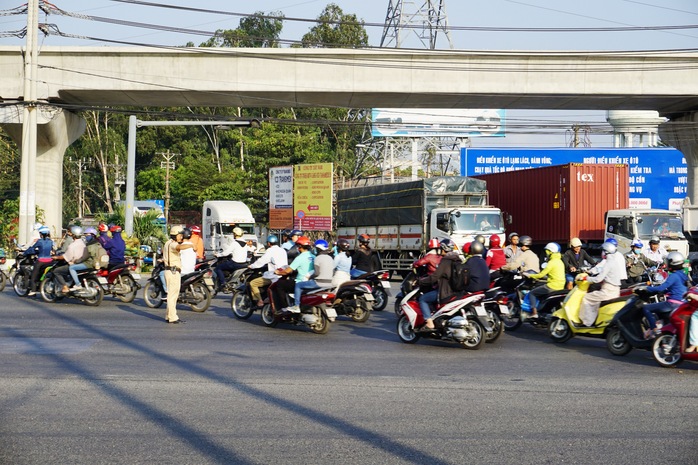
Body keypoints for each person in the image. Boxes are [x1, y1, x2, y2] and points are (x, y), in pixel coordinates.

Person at [641, 252, 689, 339]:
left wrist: (646, 288)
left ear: (672, 263)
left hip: (672, 304)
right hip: (681, 304)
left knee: (646, 308)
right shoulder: (683, 275)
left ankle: (654, 329)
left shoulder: (673, 276)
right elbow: (674, 288)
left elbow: (660, 288)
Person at [579, 241, 627, 327]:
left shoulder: (608, 263)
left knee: (586, 297)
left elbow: (598, 279)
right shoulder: (615, 260)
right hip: (616, 289)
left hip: (607, 291)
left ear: (606, 251)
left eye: (603, 251)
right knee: (595, 298)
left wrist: (586, 278)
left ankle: (586, 322)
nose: (602, 253)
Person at [417, 239, 461, 330]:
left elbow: (434, 277)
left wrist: (421, 282)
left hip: (445, 292)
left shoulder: (445, 261)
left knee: (423, 299)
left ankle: (429, 323)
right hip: (457, 292)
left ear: (443, 249)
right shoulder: (458, 260)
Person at [525, 242, 565, 318]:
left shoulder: (551, 262)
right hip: (561, 286)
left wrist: (530, 275)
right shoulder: (560, 262)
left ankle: (534, 313)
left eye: (547, 251)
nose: (546, 253)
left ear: (550, 252)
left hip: (552, 286)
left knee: (532, 293)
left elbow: (540, 275)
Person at [275, 236, 314, 313]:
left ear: (299, 247)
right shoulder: (313, 256)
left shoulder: (300, 258)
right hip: (311, 282)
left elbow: (287, 271)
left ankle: (285, 307)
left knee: (279, 284)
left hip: (300, 282)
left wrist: (278, 272)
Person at [162, 226, 193, 324]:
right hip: (173, 272)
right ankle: (173, 317)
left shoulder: (167, 243)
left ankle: (169, 315)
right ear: (176, 235)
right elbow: (179, 247)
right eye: (180, 235)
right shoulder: (173, 244)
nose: (181, 237)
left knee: (171, 295)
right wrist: (191, 245)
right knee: (173, 296)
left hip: (170, 271)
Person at [291, 239, 334, 307]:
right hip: (330, 283)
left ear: (318, 249)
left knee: (298, 285)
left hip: (319, 283)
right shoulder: (330, 258)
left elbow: (317, 273)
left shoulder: (318, 258)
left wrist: (309, 277)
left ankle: (296, 305)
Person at [248, 235, 288, 307]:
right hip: (283, 275)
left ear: (269, 243)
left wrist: (251, 266)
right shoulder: (283, 250)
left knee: (252, 283)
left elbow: (261, 261)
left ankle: (260, 301)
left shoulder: (270, 251)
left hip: (274, 276)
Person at [52, 226, 87, 293]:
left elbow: (66, 257)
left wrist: (56, 257)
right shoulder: (83, 243)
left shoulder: (72, 245)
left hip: (74, 264)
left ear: (73, 235)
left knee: (56, 271)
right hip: (82, 263)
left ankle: (65, 287)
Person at [213, 226, 248, 291]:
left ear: (235, 234)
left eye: (233, 234)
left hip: (235, 263)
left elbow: (226, 253)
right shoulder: (245, 243)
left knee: (218, 268)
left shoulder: (235, 243)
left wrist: (217, 255)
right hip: (243, 263)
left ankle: (223, 283)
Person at [27, 226, 54, 296]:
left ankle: (33, 290)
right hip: (50, 261)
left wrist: (25, 252)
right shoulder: (51, 241)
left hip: (40, 261)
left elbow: (32, 249)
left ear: (40, 234)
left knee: (34, 275)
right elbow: (54, 249)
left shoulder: (39, 241)